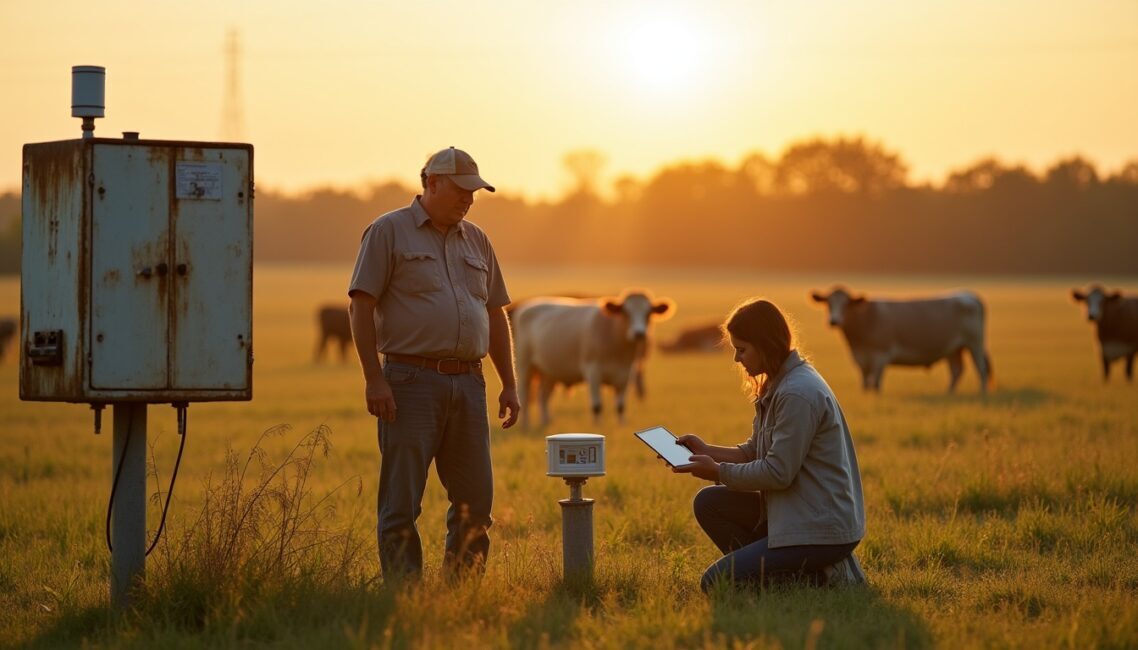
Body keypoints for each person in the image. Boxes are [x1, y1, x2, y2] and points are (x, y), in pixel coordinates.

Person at [348, 146, 520, 582]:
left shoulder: (478, 239)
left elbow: (495, 313)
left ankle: (460, 593)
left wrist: (510, 383)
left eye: (474, 192)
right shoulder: (389, 231)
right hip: (409, 382)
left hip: (468, 383)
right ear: (431, 183)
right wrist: (374, 380)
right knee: (402, 502)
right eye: (461, 190)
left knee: (475, 501)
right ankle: (405, 595)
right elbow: (361, 305)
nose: (468, 199)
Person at [672, 298, 866, 591]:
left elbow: (777, 472)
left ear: (766, 345)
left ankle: (813, 578)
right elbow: (754, 452)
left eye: (742, 350)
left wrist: (717, 472)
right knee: (709, 502)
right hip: (794, 513)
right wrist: (706, 450)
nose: (737, 359)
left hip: (819, 528)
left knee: (716, 583)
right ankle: (787, 572)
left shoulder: (797, 394)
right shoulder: (780, 383)